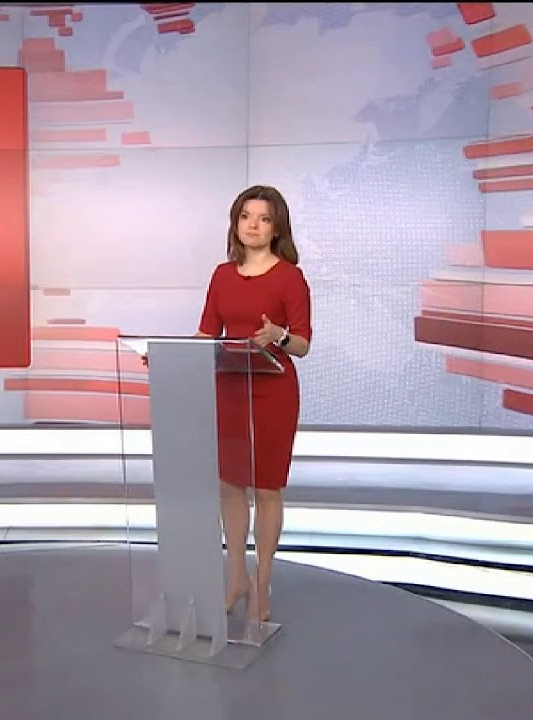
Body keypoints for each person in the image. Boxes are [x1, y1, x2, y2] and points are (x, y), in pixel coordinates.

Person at [196, 184, 312, 623]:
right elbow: (207, 333)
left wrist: (279, 335)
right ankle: (236, 579)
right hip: (229, 388)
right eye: (246, 217)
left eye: (264, 219)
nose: (253, 226)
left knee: (266, 489)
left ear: (276, 227)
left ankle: (262, 583)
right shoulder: (222, 276)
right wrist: (168, 355)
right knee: (229, 486)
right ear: (236, 223)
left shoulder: (289, 277)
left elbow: (302, 344)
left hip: (272, 392)